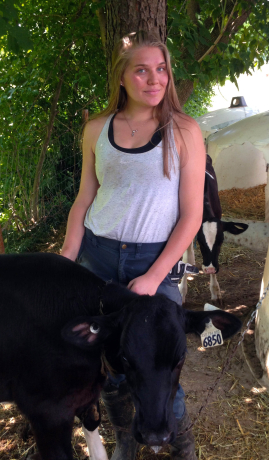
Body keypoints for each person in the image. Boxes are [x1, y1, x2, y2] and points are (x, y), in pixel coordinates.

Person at [61, 30, 205, 460]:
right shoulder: (95, 129)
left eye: (161, 69)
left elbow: (191, 216)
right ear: (121, 77)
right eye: (141, 70)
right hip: (98, 258)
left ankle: (180, 443)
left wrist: (154, 276)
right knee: (104, 360)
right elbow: (85, 198)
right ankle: (126, 435)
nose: (154, 78)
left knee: (160, 363)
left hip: (153, 260)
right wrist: (67, 258)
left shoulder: (184, 130)